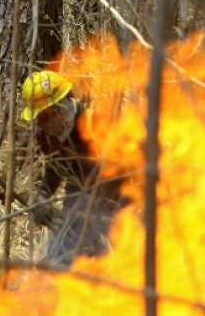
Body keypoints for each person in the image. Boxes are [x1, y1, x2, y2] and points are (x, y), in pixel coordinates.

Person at [20, 70, 126, 266]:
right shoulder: (49, 137)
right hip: (76, 202)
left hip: (112, 207)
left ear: (58, 110)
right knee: (56, 259)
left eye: (42, 118)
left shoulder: (95, 125)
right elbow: (56, 169)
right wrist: (43, 198)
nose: (40, 125)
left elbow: (123, 176)